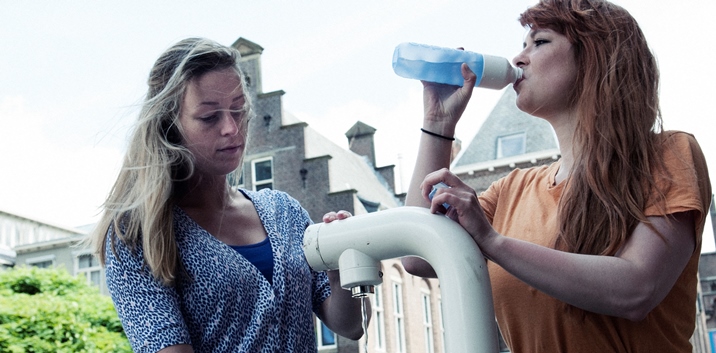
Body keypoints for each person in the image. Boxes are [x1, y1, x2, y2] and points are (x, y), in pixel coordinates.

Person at [327, 0, 712, 351]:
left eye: (539, 42)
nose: (518, 57)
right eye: (522, 44)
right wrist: (438, 122)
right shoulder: (513, 190)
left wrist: (492, 241)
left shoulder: (669, 154)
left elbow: (636, 289)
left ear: (596, 57)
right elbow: (416, 253)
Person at [90, 37, 366, 353]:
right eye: (209, 117)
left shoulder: (284, 211)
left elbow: (351, 326)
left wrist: (340, 263)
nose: (231, 129)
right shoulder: (137, 234)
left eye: (238, 109)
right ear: (170, 125)